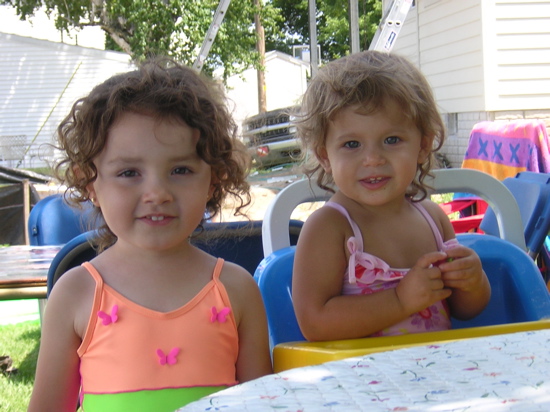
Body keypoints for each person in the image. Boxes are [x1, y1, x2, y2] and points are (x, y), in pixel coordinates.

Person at [28, 58, 272, 412]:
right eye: (129, 172)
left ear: (213, 179)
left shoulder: (236, 289)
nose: (157, 192)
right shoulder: (75, 293)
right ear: (90, 183)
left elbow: (264, 403)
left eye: (180, 169)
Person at [292, 50, 491, 342]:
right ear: (324, 156)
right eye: (351, 144)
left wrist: (473, 282)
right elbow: (314, 322)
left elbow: (464, 310)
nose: (373, 159)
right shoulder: (329, 228)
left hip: (439, 378)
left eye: (391, 140)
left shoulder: (433, 219)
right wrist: (400, 300)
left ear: (422, 146)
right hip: (360, 382)